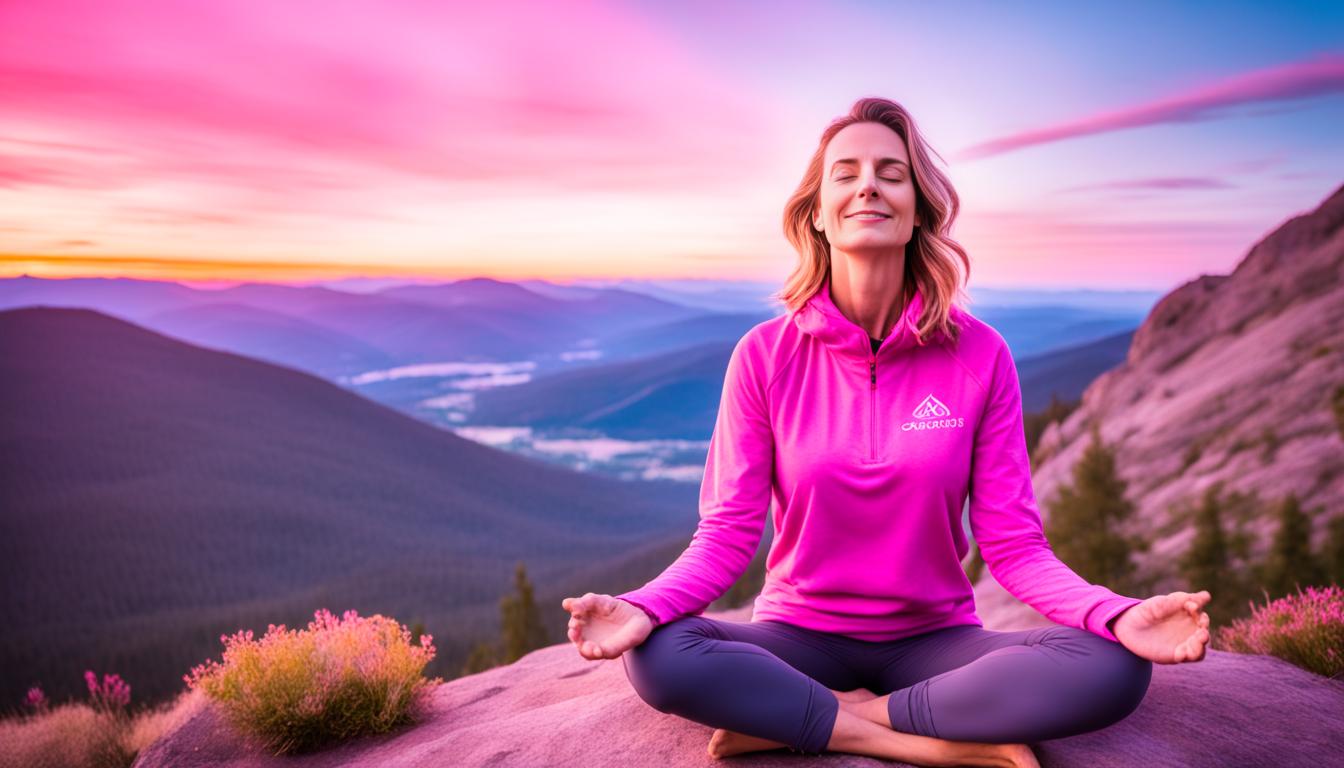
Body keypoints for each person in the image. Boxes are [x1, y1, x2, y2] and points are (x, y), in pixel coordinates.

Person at [561, 97, 1211, 767]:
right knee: (662, 654)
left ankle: (810, 719)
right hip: (796, 636)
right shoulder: (764, 355)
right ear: (817, 210)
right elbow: (726, 536)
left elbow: (1014, 546)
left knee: (1112, 666)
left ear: (918, 210)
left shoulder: (980, 355)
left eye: (890, 172)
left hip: (934, 644)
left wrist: (1115, 614)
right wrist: (643, 606)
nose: (867, 184)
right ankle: (943, 747)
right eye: (845, 172)